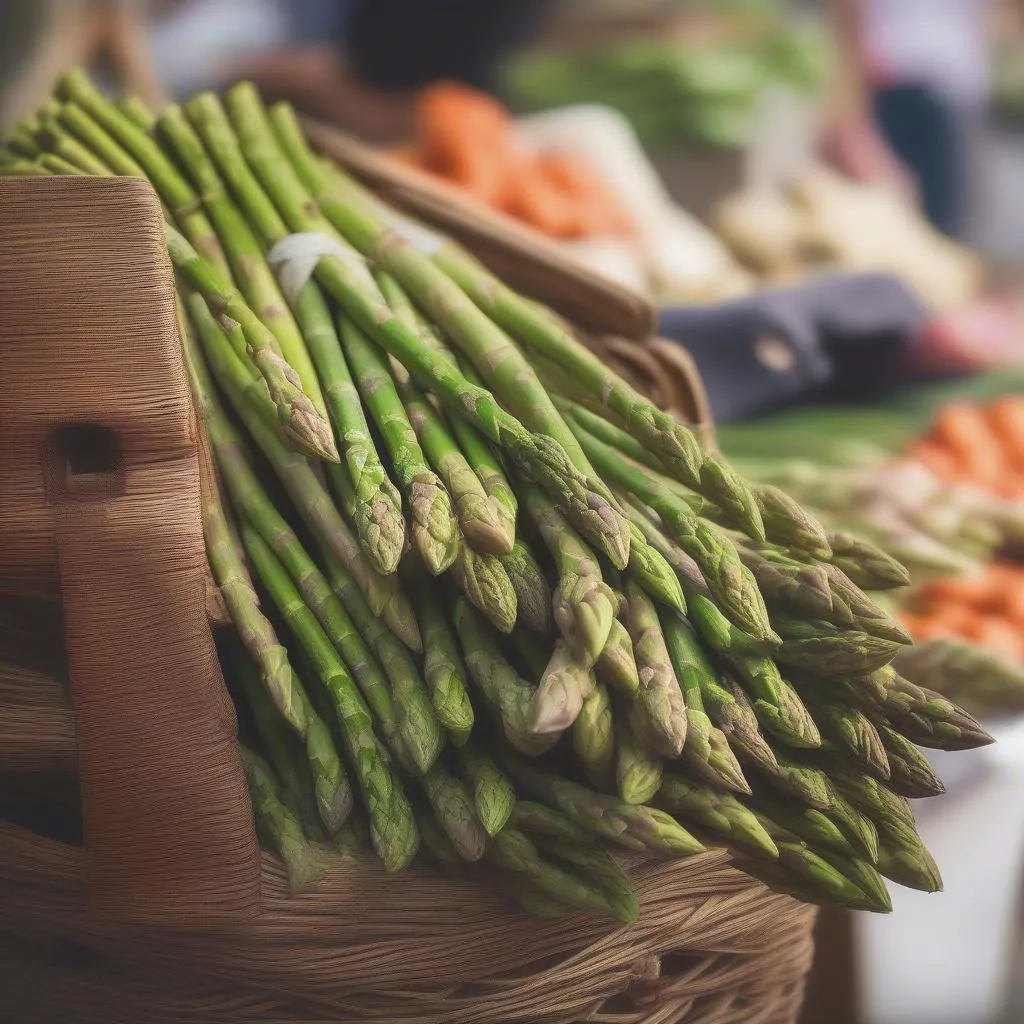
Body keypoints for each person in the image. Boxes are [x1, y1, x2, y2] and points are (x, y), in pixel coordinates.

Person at [824, 0, 992, 240]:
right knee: (908, 222)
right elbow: (848, 15)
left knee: (940, 231)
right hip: (899, 84)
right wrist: (850, 115)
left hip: (951, 90)